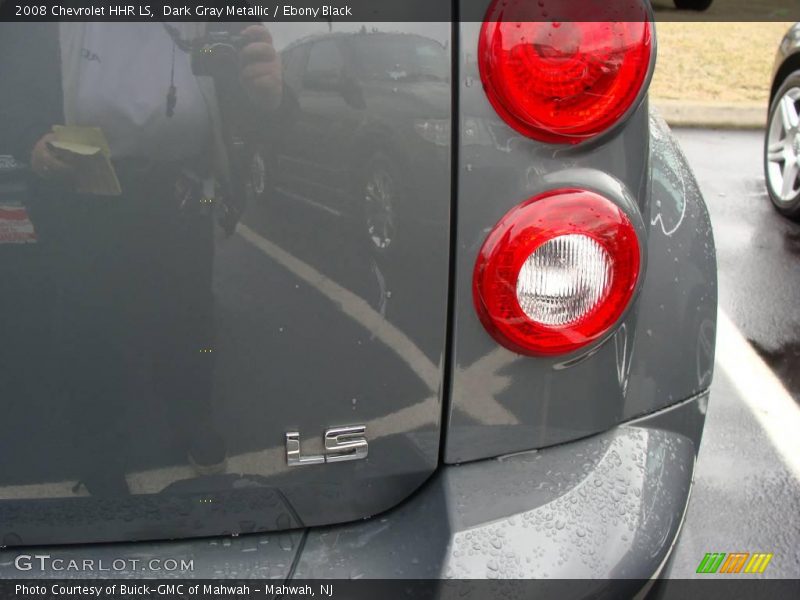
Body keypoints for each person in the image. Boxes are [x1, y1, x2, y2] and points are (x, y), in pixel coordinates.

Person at [0, 22, 283, 496]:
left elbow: (251, 116)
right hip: (83, 191)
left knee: (192, 320)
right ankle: (100, 455)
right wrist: (33, 142)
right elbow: (13, 96)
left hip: (179, 192)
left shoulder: (207, 19)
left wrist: (270, 97)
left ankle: (194, 417)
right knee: (89, 331)